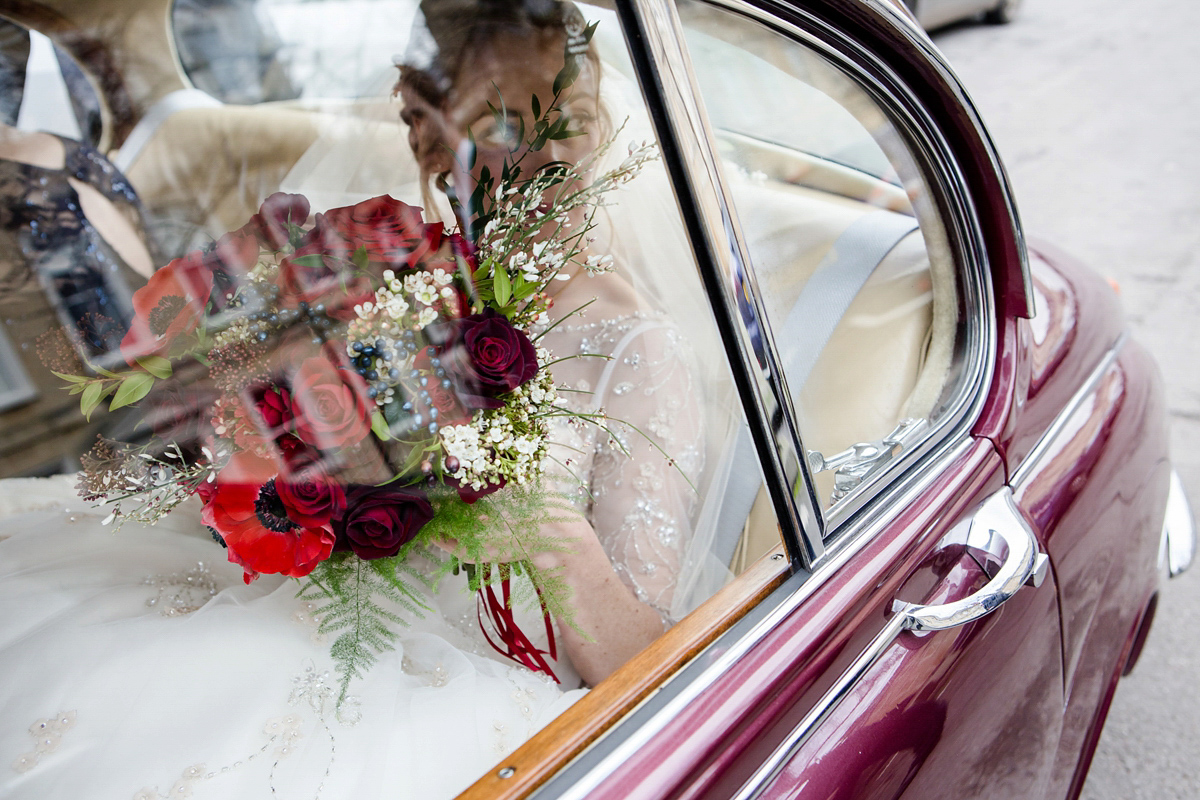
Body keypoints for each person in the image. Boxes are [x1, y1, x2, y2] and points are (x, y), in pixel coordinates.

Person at [0, 2, 719, 798]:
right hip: (299, 603)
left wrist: (539, 523)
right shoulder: (396, 276)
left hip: (446, 671)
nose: (557, 153)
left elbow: (648, 672)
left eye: (570, 117)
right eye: (502, 124)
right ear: (431, 144)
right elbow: (249, 461)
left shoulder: (638, 351)